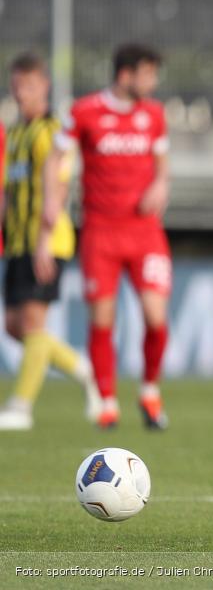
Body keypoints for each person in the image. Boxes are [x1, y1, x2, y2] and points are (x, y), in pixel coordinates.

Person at [42, 43, 171, 430]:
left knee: (156, 317)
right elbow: (55, 158)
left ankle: (150, 392)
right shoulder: (84, 111)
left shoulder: (154, 115)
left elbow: (163, 165)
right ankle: (107, 402)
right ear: (125, 75)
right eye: (148, 74)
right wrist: (51, 203)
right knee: (103, 319)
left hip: (145, 232)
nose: (153, 83)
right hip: (101, 231)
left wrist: (161, 185)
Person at [0, 52, 100, 431]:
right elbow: (8, 191)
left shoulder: (53, 132)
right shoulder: (16, 133)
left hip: (47, 241)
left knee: (32, 321)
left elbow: (58, 188)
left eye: (28, 85)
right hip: (18, 242)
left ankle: (21, 407)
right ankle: (81, 368)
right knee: (14, 327)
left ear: (44, 85)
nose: (20, 92)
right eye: (16, 85)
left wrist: (43, 239)